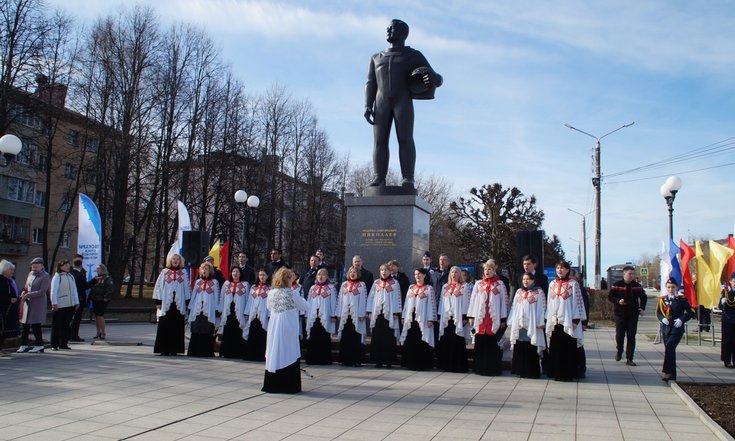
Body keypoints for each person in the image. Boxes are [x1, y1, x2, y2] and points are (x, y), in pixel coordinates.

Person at [364, 19, 443, 188]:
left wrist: (435, 78)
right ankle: (379, 176)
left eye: (392, 28)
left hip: (403, 101)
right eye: (388, 27)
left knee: (405, 139)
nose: (388, 30)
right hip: (381, 102)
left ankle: (408, 177)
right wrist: (367, 105)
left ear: (402, 33)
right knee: (379, 141)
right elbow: (371, 82)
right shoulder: (376, 57)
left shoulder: (413, 55)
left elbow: (436, 77)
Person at [262, 268, 310, 394]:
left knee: (275, 349)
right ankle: (287, 384)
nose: (292, 279)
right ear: (285, 279)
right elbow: (305, 306)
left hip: (274, 324)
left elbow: (268, 307)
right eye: (290, 277)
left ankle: (272, 383)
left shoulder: (271, 293)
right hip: (288, 325)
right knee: (288, 350)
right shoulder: (292, 293)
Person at [546, 260, 586, 381]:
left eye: (562, 268)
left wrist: (575, 320)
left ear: (568, 270)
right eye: (558, 268)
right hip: (555, 321)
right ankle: (555, 372)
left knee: (568, 348)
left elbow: (578, 302)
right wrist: (549, 319)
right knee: (555, 347)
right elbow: (549, 302)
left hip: (568, 321)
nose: (560, 270)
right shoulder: (552, 284)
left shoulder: (573, 284)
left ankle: (569, 373)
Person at [468, 260, 508, 376]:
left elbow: (504, 302)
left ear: (494, 270)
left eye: (489, 269)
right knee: (480, 343)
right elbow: (473, 300)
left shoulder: (500, 284)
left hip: (493, 319)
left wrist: (503, 319)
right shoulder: (478, 284)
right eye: (485, 269)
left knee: (492, 344)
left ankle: (492, 369)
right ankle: (479, 368)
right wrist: (471, 315)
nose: (487, 271)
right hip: (481, 319)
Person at [508, 272, 547, 378]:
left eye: (528, 279)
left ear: (533, 280)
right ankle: (520, 370)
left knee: (531, 347)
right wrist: (511, 321)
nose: (525, 281)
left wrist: (541, 321)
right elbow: (513, 307)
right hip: (520, 325)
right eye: (524, 279)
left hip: (532, 325)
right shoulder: (518, 292)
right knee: (520, 347)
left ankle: (532, 372)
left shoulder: (538, 292)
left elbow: (543, 307)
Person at [608, 265, 647, 366]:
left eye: (633, 274)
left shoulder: (637, 286)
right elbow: (610, 297)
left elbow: (644, 297)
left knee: (631, 336)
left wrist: (642, 308)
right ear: (624, 274)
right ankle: (619, 350)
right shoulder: (617, 285)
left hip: (633, 314)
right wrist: (618, 301)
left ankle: (630, 358)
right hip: (620, 314)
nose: (632, 276)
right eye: (630, 274)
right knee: (620, 335)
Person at [657, 278, 694, 381]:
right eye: (668, 287)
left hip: (677, 329)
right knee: (669, 351)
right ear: (666, 287)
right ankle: (673, 374)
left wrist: (682, 319)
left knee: (669, 347)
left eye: (673, 287)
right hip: (666, 329)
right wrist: (662, 319)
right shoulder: (662, 299)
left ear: (676, 287)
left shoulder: (681, 299)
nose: (670, 289)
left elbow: (691, 312)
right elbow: (658, 313)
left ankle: (667, 372)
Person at [152, 253, 190, 355]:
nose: (175, 261)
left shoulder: (183, 273)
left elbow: (186, 288)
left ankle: (175, 349)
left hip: (178, 304)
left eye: (177, 259)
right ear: (170, 260)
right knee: (164, 325)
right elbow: (159, 286)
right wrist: (158, 301)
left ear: (180, 261)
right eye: (174, 259)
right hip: (166, 303)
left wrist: (187, 302)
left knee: (176, 326)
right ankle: (163, 349)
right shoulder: (165, 272)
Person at [366, 263, 402, 368]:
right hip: (377, 314)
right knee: (377, 337)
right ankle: (378, 360)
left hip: (389, 314)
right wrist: (369, 311)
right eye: (382, 270)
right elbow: (371, 297)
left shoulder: (394, 283)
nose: (384, 272)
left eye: (386, 270)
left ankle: (388, 360)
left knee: (389, 337)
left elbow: (397, 298)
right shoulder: (376, 283)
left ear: (390, 271)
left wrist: (396, 312)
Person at [400, 268, 436, 370]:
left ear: (424, 275)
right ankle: (410, 363)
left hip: (423, 318)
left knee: (422, 340)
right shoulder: (411, 288)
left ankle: (423, 364)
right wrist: (403, 316)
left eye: (419, 274)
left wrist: (430, 319)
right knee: (411, 340)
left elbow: (432, 304)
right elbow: (406, 303)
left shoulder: (428, 289)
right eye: (415, 274)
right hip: (411, 319)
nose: (417, 276)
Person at [436, 266, 470, 373]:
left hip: (458, 318)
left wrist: (465, 317)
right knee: (446, 341)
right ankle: (445, 364)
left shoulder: (464, 286)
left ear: (459, 274)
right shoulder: (445, 287)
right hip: (447, 319)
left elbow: (467, 302)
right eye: (452, 272)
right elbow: (442, 301)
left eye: (456, 272)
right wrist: (440, 316)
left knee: (458, 341)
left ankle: (458, 365)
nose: (454, 274)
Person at [17, 257, 50, 353]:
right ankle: (24, 344)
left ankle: (39, 345)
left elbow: (42, 291)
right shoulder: (30, 274)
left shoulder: (45, 276)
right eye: (33, 267)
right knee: (25, 324)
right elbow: (27, 286)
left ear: (41, 266)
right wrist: (24, 293)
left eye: (36, 267)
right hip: (28, 302)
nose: (34, 269)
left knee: (36, 324)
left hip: (38, 303)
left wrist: (28, 294)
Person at [336, 266, 368, 366]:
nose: (352, 274)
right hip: (346, 316)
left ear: (358, 273)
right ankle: (345, 359)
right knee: (346, 338)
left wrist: (362, 313)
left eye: (354, 272)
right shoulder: (344, 285)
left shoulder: (361, 285)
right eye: (350, 272)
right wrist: (339, 313)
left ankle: (355, 360)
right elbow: (340, 299)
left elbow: (364, 299)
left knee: (355, 337)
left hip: (357, 316)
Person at [187, 262, 220, 357]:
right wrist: (190, 307)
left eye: (207, 269)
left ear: (210, 271)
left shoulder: (214, 282)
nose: (204, 270)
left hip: (208, 310)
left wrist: (217, 309)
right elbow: (193, 295)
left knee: (207, 330)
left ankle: (206, 352)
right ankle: (194, 351)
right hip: (197, 310)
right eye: (203, 269)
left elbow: (216, 296)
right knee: (196, 329)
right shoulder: (198, 282)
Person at [305, 268, 337, 365]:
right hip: (314, 316)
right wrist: (307, 315)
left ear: (327, 277)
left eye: (323, 274)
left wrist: (333, 315)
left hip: (325, 316)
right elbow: (309, 302)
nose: (320, 276)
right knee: (313, 337)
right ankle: (312, 359)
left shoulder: (331, 288)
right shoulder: (312, 288)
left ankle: (324, 359)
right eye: (319, 274)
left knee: (324, 337)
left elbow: (333, 302)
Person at [218, 267, 249, 359]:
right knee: (227, 331)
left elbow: (247, 299)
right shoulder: (226, 284)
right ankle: (226, 352)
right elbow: (222, 297)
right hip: (228, 312)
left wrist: (246, 312)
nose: (235, 273)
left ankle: (238, 353)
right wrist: (220, 310)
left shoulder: (245, 284)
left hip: (239, 312)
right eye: (233, 271)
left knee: (238, 330)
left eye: (237, 272)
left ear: (240, 274)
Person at [49, 259, 80, 351]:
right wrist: (54, 303)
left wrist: (76, 301)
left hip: (70, 304)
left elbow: (74, 290)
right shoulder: (57, 276)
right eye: (65, 266)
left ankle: (63, 343)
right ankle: (54, 344)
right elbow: (53, 291)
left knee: (66, 325)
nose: (67, 267)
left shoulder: (70, 276)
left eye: (68, 265)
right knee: (57, 325)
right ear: (60, 267)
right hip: (60, 304)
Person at [243, 269, 270, 361]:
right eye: (260, 275)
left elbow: (270, 303)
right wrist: (246, 312)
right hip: (253, 314)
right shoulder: (254, 287)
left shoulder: (270, 289)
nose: (261, 277)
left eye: (264, 275)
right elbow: (250, 301)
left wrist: (270, 315)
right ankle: (250, 355)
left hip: (264, 314)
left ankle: (261, 355)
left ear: (267, 277)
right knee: (252, 332)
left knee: (262, 334)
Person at [88, 264, 115, 340]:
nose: (97, 270)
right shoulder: (96, 278)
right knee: (96, 316)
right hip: (95, 299)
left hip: (102, 300)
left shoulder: (107, 278)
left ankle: (103, 332)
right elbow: (91, 287)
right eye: (97, 269)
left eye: (99, 268)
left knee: (100, 315)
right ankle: (98, 332)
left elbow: (110, 289)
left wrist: (106, 297)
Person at [0, 260, 19, 356]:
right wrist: (9, 299)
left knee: (6, 330)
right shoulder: (1, 280)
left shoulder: (11, 280)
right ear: (4, 270)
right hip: (3, 309)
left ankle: (1, 348)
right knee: (2, 329)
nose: (12, 271)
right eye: (10, 269)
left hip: (9, 309)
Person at [69, 254, 87, 342]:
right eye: (77, 260)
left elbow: (84, 286)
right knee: (73, 317)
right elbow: (81, 286)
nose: (79, 262)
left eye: (80, 260)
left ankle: (74, 334)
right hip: (73, 297)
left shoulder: (83, 271)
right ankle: (72, 335)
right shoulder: (71, 272)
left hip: (81, 297)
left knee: (77, 318)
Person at [720, 273, 735, 369]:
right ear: (730, 282)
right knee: (728, 341)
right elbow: (720, 306)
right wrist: (722, 302)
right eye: (734, 281)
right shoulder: (725, 292)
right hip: (728, 320)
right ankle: (727, 360)